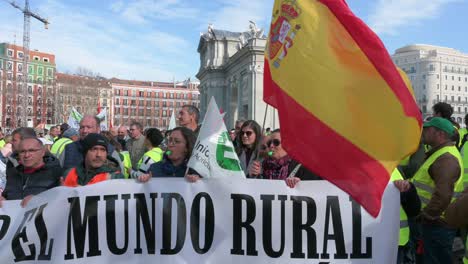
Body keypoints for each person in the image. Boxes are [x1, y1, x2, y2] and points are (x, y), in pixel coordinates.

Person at [398, 117, 464, 263]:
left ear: (440, 134)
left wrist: (425, 217)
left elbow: (443, 195)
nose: (423, 132)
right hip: (435, 224)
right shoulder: (440, 154)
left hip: (436, 225)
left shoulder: (446, 158)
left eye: (428, 129)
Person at [0, 137, 62, 207]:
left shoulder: (56, 173)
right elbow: (7, 194)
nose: (27, 155)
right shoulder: (13, 173)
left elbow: (65, 201)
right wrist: (3, 199)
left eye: (32, 150)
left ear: (42, 152)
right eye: (22, 151)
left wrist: (42, 199)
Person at [249, 129, 321, 186]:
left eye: (276, 142)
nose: (271, 146)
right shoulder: (260, 166)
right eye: (269, 143)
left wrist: (301, 184)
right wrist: (252, 176)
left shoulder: (302, 166)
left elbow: (316, 190)